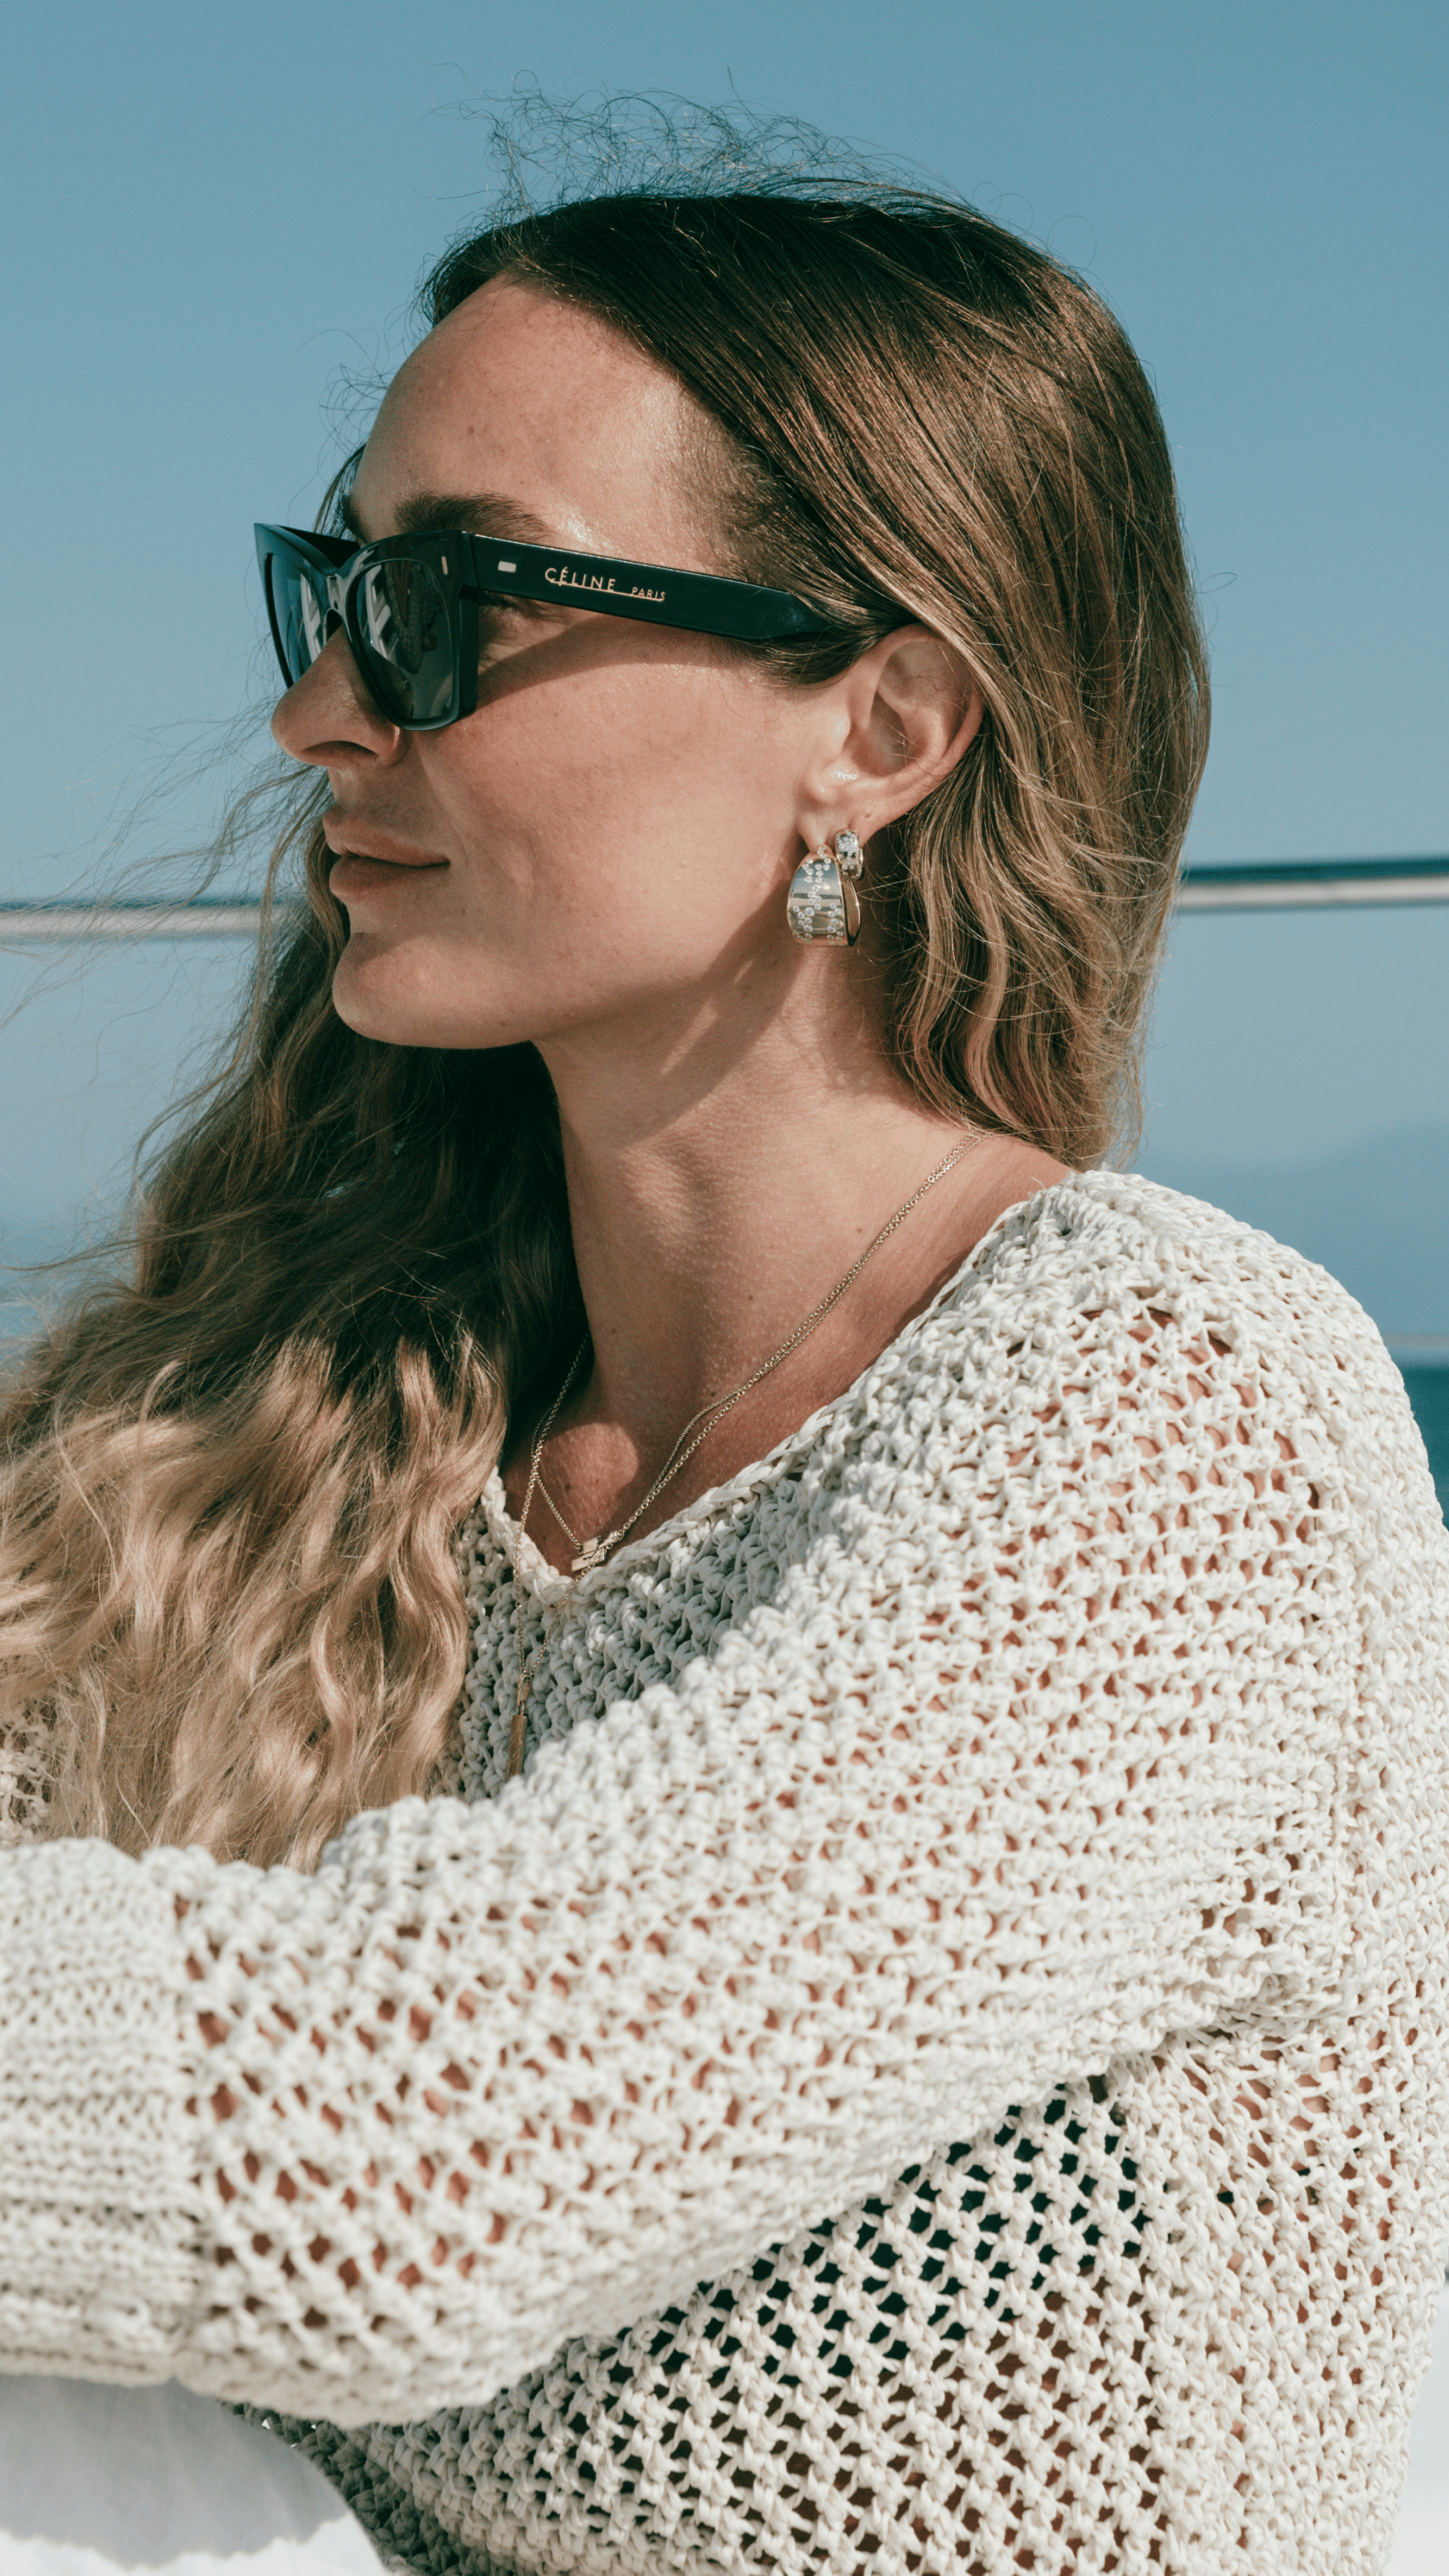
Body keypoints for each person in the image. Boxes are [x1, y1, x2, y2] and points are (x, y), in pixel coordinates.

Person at [1, 159, 1447, 2576]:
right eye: (336, 588)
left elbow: (399, 2149)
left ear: (879, 726)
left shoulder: (1184, 1425)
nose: (319, 709)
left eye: (456, 604)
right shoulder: (307, 1423)